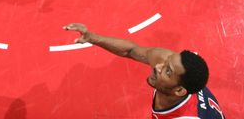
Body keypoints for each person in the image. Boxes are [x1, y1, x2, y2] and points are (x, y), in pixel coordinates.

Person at [63, 23, 224, 118]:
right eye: (166, 62)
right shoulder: (175, 69)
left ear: (180, 90)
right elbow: (130, 50)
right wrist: (92, 38)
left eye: (167, 71)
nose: (158, 66)